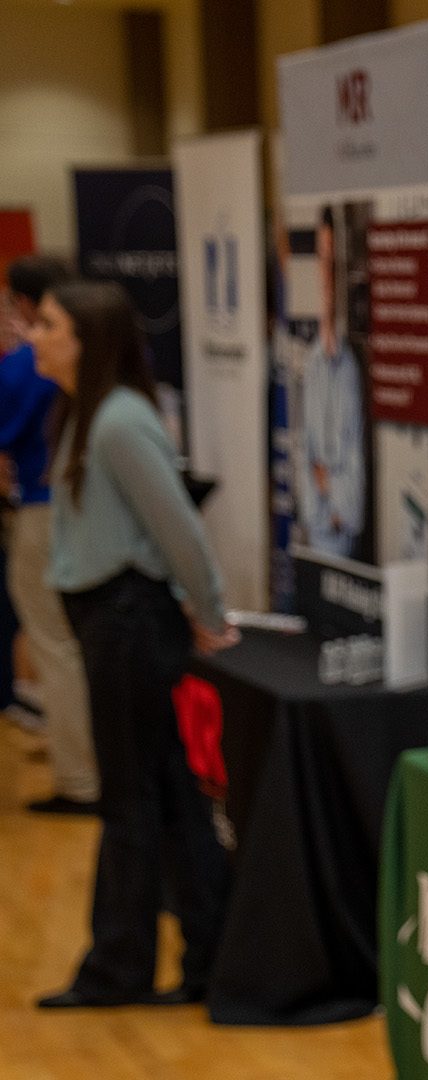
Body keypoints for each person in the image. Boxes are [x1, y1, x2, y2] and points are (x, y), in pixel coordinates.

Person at [29, 279, 237, 1008]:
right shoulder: (89, 415)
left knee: (135, 802)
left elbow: (179, 529)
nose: (35, 335)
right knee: (166, 798)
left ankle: (121, 968)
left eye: (49, 324)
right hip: (116, 625)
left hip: (129, 626)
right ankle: (204, 959)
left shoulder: (118, 423)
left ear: (89, 339)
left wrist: (208, 612)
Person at [3, 255, 98, 812]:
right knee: (77, 644)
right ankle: (90, 757)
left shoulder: (23, 368)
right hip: (86, 512)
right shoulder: (106, 354)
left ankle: (81, 776)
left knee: (56, 646)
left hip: (44, 511)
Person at [298, 206, 366, 559]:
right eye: (320, 258)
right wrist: (317, 494)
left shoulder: (346, 369)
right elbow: (305, 448)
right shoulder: (311, 365)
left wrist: (338, 498)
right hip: (317, 522)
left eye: (331, 261)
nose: (325, 274)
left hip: (339, 527)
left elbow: (352, 449)